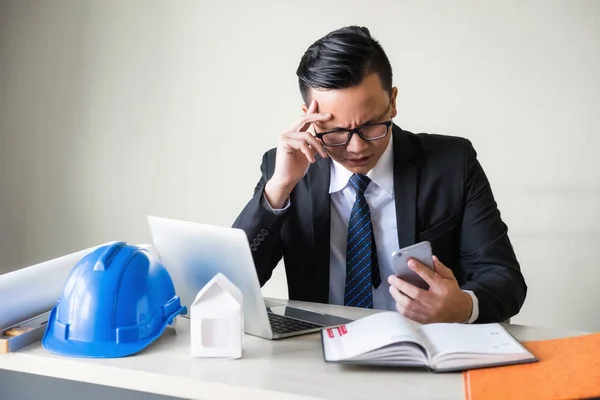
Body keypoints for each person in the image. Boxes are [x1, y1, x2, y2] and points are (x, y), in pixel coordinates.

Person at [233, 26, 526, 324]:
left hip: (426, 349)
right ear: (309, 117)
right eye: (335, 132)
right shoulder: (282, 170)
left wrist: (462, 306)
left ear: (393, 102)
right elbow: (231, 287)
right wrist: (278, 190)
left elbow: (505, 279)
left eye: (371, 125)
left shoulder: (452, 163)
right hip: (318, 350)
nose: (357, 147)